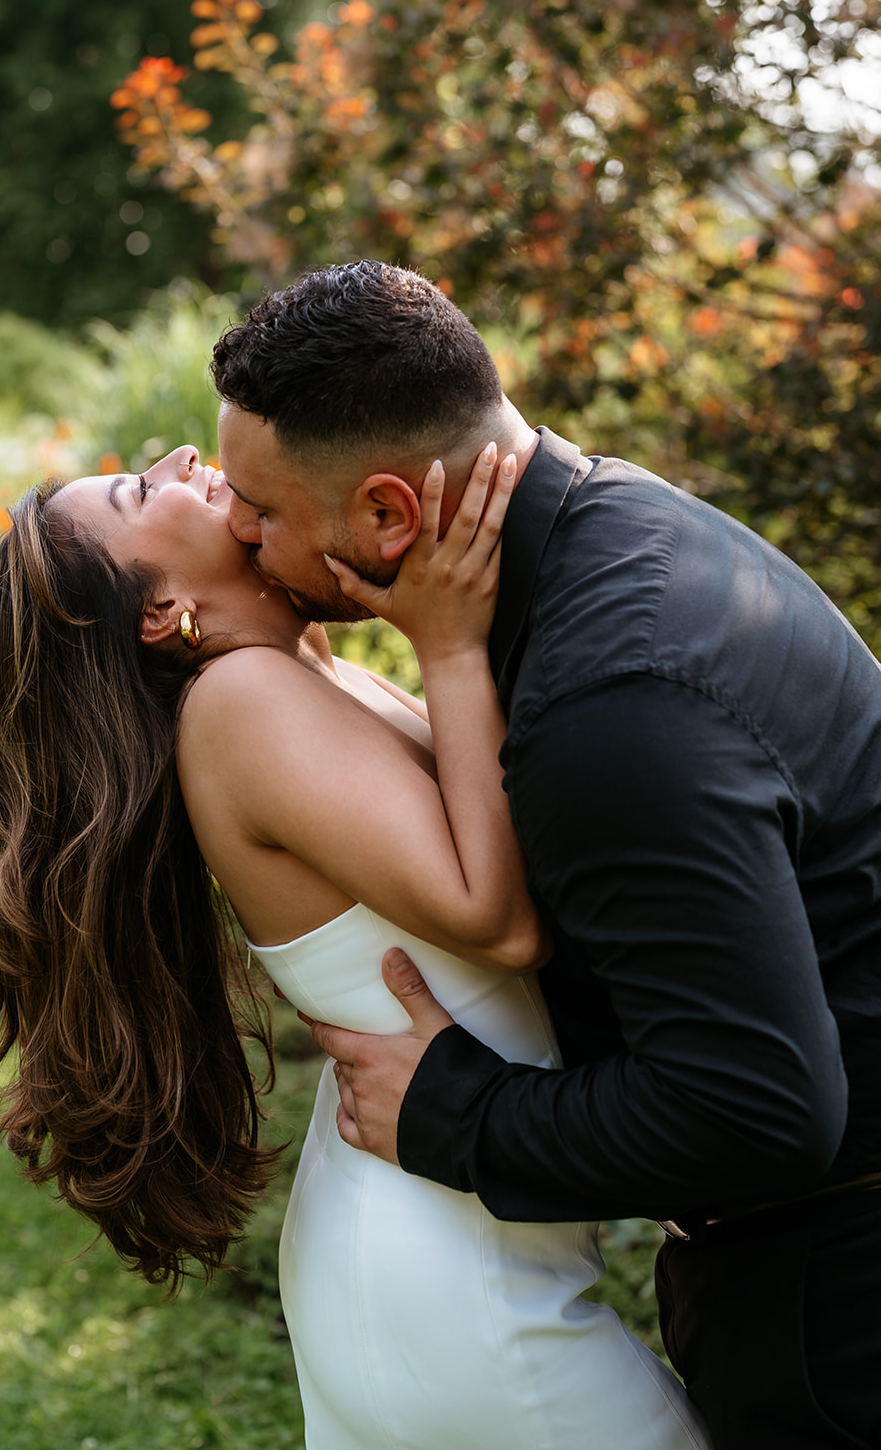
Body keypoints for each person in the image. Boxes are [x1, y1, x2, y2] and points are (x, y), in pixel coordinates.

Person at [211, 258, 881, 1450]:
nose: (240, 533)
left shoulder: (609, 701)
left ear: (386, 515)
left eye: (262, 514)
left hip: (842, 1309)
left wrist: (453, 1113)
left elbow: (762, 1110)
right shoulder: (613, 530)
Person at [0, 439, 710, 1450]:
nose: (182, 456)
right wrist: (444, 647)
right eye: (143, 490)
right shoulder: (238, 707)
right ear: (156, 611)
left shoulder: (297, 675)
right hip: (448, 1285)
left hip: (453, 1241)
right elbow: (498, 914)